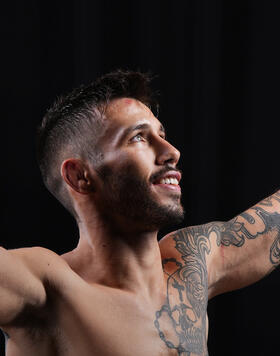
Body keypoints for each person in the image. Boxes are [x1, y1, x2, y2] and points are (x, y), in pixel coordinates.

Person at [0, 70, 279, 356]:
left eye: (161, 134)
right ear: (80, 175)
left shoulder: (191, 265)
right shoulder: (47, 290)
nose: (172, 151)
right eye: (138, 138)